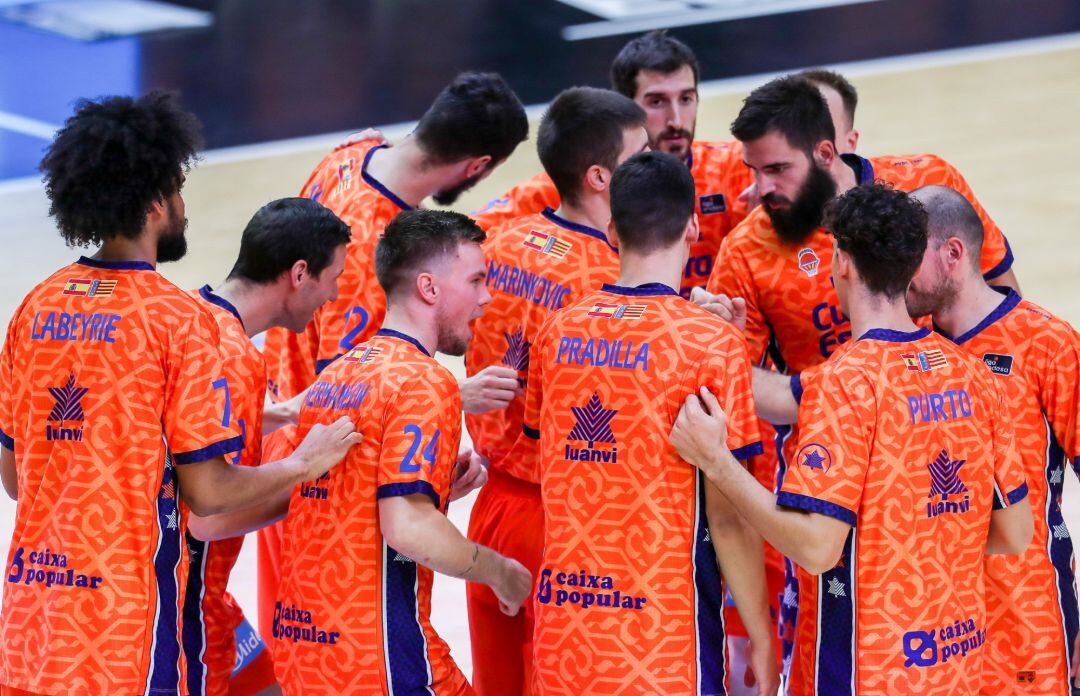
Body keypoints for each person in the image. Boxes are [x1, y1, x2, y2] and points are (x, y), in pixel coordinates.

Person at [0, 93, 359, 696]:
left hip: (31, 625)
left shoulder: (35, 306)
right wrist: (306, 463)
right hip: (128, 633)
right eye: (179, 192)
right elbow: (209, 493)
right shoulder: (182, 321)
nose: (185, 209)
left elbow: (16, 475)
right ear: (154, 203)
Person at [704, 74, 1020, 675]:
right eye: (751, 170)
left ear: (827, 153)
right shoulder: (746, 250)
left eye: (775, 170)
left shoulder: (929, 183)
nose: (756, 190)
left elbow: (998, 299)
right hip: (830, 484)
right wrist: (717, 339)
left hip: (941, 471)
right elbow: (735, 384)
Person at [256, 71, 529, 642]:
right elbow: (348, 394)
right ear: (477, 166)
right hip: (323, 474)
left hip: (283, 435)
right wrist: (453, 394)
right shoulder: (369, 246)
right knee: (341, 651)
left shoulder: (350, 153)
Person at [520, 151, 776, 694]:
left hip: (566, 632)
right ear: (692, 225)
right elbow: (729, 520)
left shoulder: (555, 334)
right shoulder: (713, 344)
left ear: (612, 231)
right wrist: (761, 632)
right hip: (666, 640)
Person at [271, 209, 531, 694]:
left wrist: (436, 491)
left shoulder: (337, 375)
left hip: (305, 648)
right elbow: (407, 528)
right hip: (382, 655)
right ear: (429, 288)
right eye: (475, 280)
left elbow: (343, 498)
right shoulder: (424, 382)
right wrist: (502, 573)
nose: (486, 298)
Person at [463, 85, 646, 695]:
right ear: (600, 176)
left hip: (491, 510)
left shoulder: (501, 246)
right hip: (567, 523)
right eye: (639, 156)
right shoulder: (607, 283)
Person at [905, 186, 1080, 695]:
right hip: (931, 623)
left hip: (1030, 618)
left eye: (908, 254)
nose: (896, 269)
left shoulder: (1047, 343)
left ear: (953, 254)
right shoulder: (907, 344)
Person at [182, 197, 351, 696]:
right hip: (185, 603)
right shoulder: (234, 359)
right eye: (333, 276)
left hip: (193, 592)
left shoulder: (194, 310)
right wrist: (310, 474)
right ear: (300, 273)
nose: (337, 294)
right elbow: (207, 517)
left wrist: (282, 411)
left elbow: (192, 429)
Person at [472, 29, 754, 297]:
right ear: (625, 108)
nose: (677, 120)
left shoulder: (736, 167)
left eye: (686, 98)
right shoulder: (579, 185)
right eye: (657, 102)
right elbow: (463, 238)